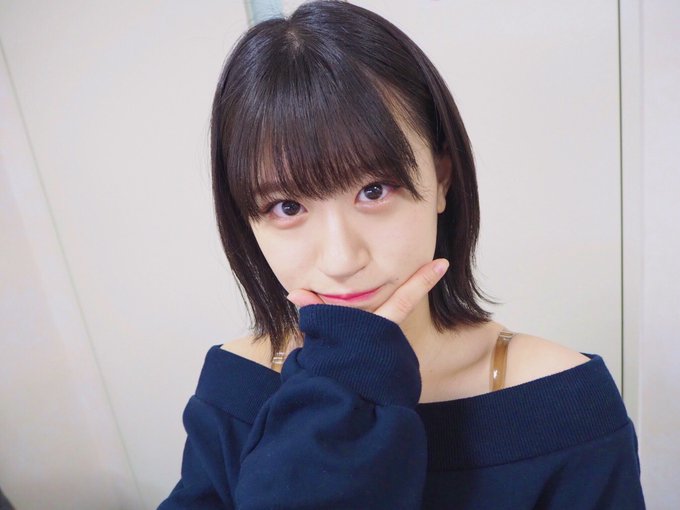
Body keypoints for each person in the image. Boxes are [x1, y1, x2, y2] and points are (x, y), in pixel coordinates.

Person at [158, 1, 645, 508]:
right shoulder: (236, 384)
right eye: (287, 206)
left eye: (374, 190)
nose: (342, 259)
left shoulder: (562, 404)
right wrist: (344, 385)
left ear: (442, 180)